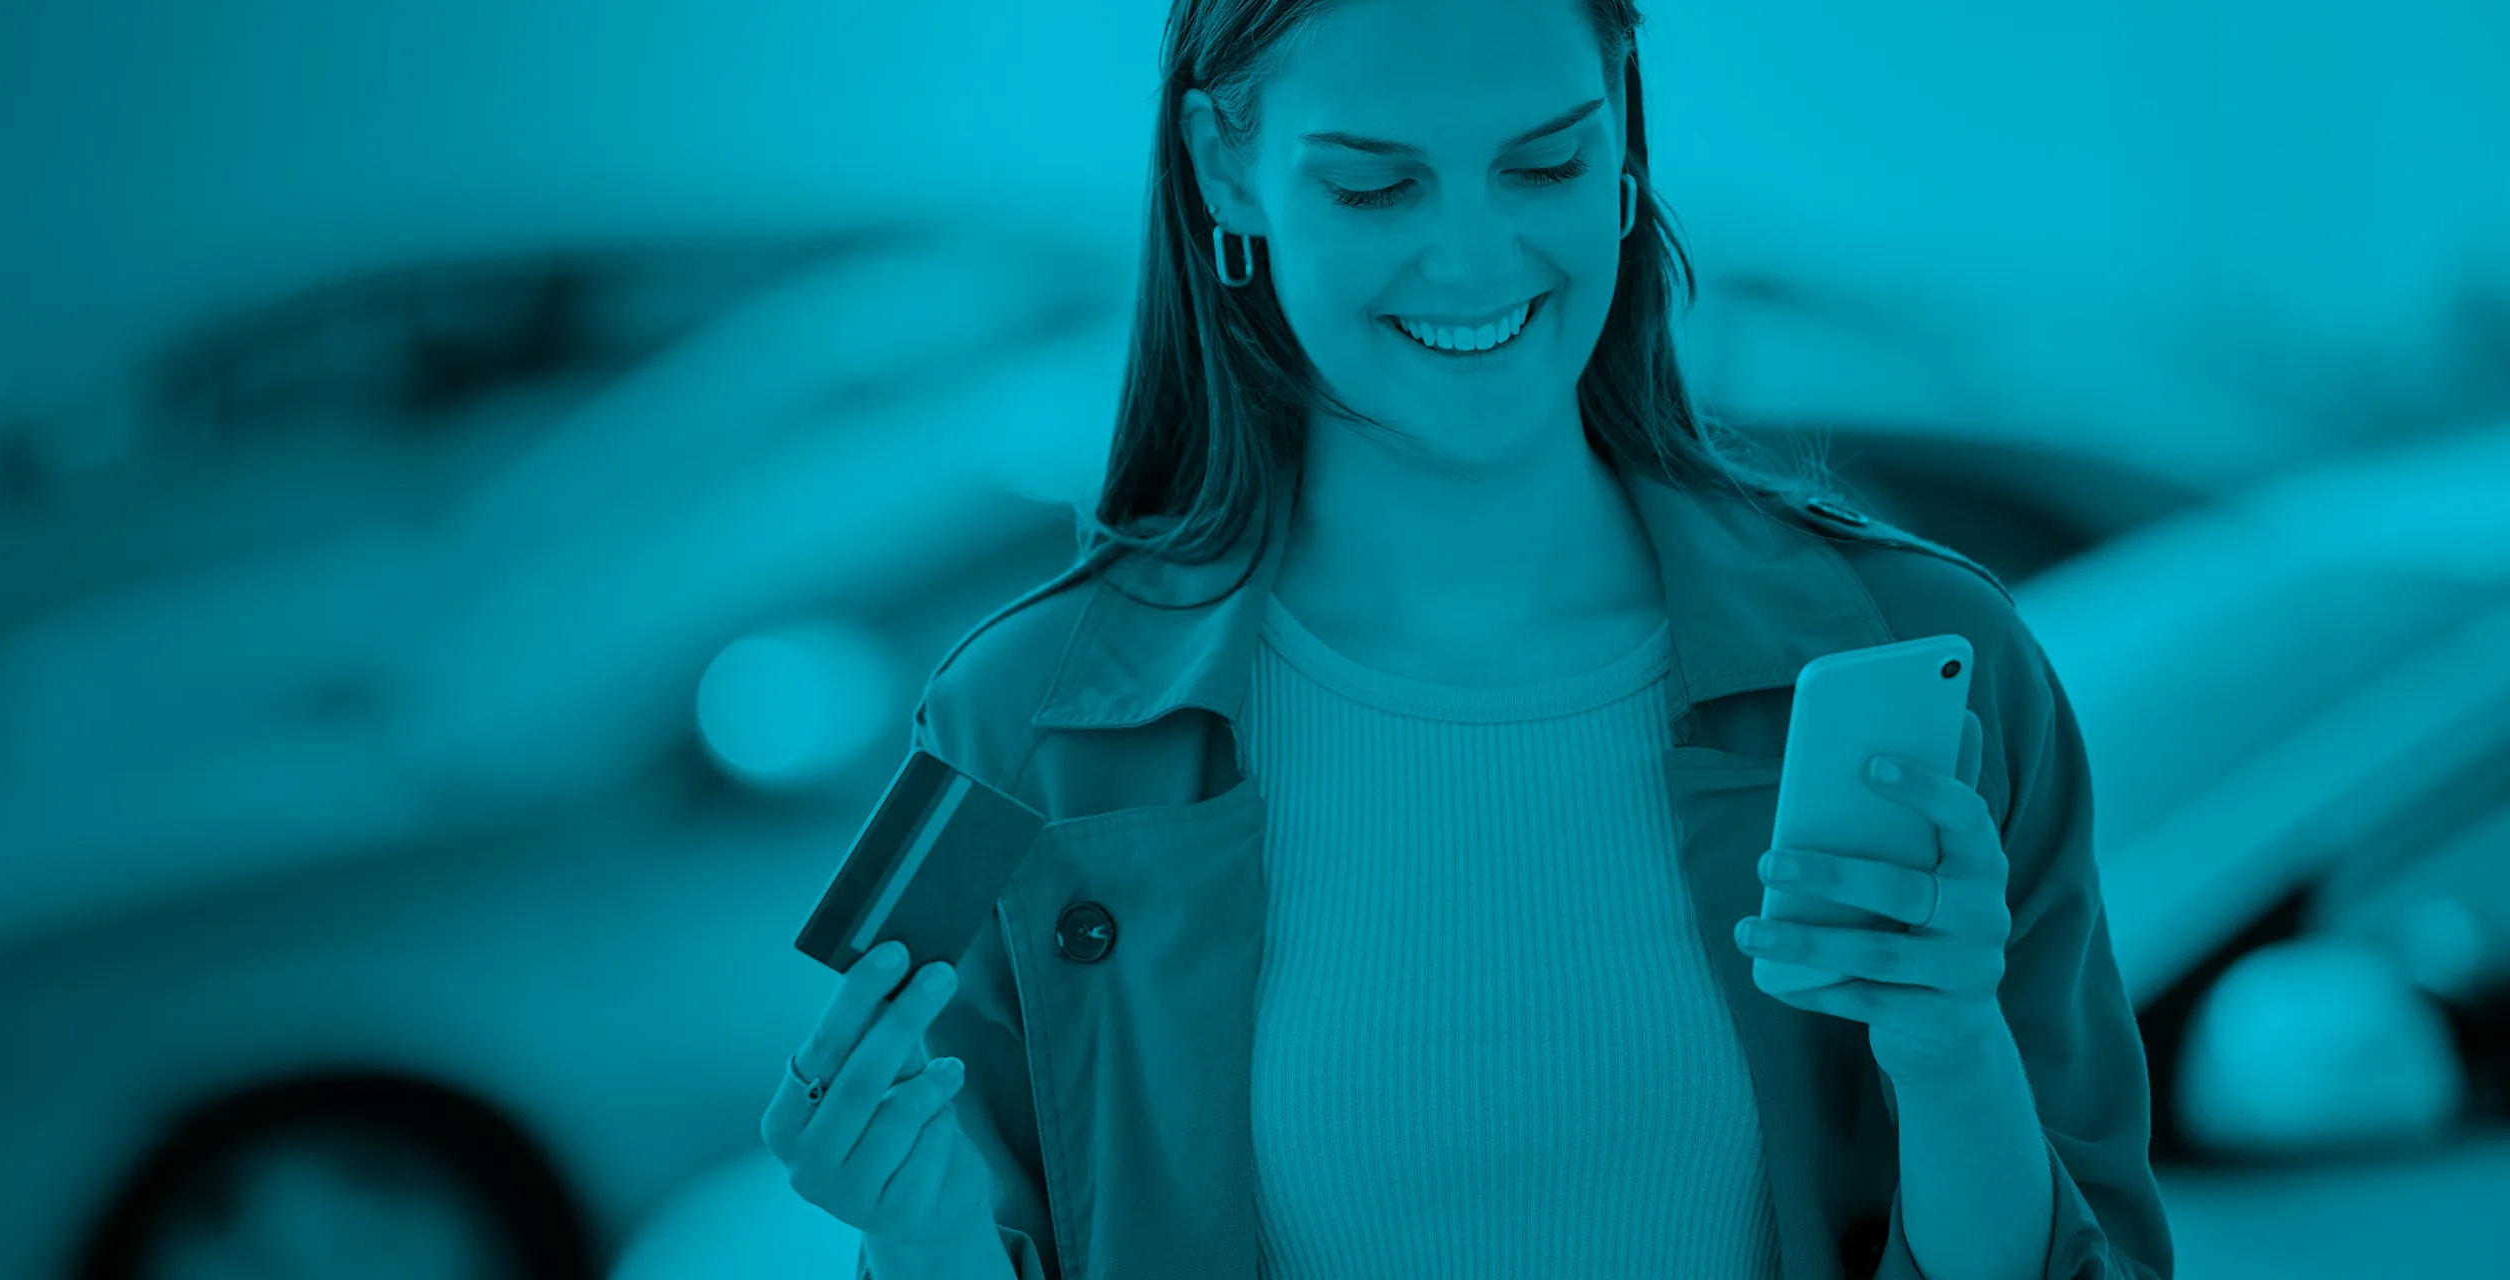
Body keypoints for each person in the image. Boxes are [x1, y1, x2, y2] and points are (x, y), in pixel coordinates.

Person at [762, 1, 2176, 1277]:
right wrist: (920, 1231)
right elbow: (963, 1208)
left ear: (1623, 130)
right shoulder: (1022, 727)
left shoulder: (1932, 659)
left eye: (1546, 165)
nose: (1474, 253)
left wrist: (1946, 1048)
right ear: (1222, 165)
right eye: (1376, 183)